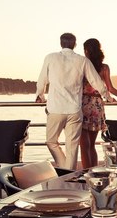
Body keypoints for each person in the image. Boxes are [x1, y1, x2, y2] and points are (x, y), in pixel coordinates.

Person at [35, 32, 109, 170]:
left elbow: (42, 80)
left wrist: (40, 95)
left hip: (55, 109)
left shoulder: (50, 57)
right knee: (72, 147)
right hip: (75, 110)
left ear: (60, 43)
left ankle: (65, 170)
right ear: (74, 45)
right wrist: (106, 96)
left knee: (51, 142)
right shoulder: (82, 60)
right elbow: (96, 81)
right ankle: (68, 172)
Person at [80, 38, 117, 169]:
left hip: (83, 104)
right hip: (97, 105)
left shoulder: (83, 65)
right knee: (91, 145)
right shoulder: (104, 67)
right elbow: (110, 88)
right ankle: (92, 171)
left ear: (87, 50)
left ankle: (87, 173)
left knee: (84, 145)